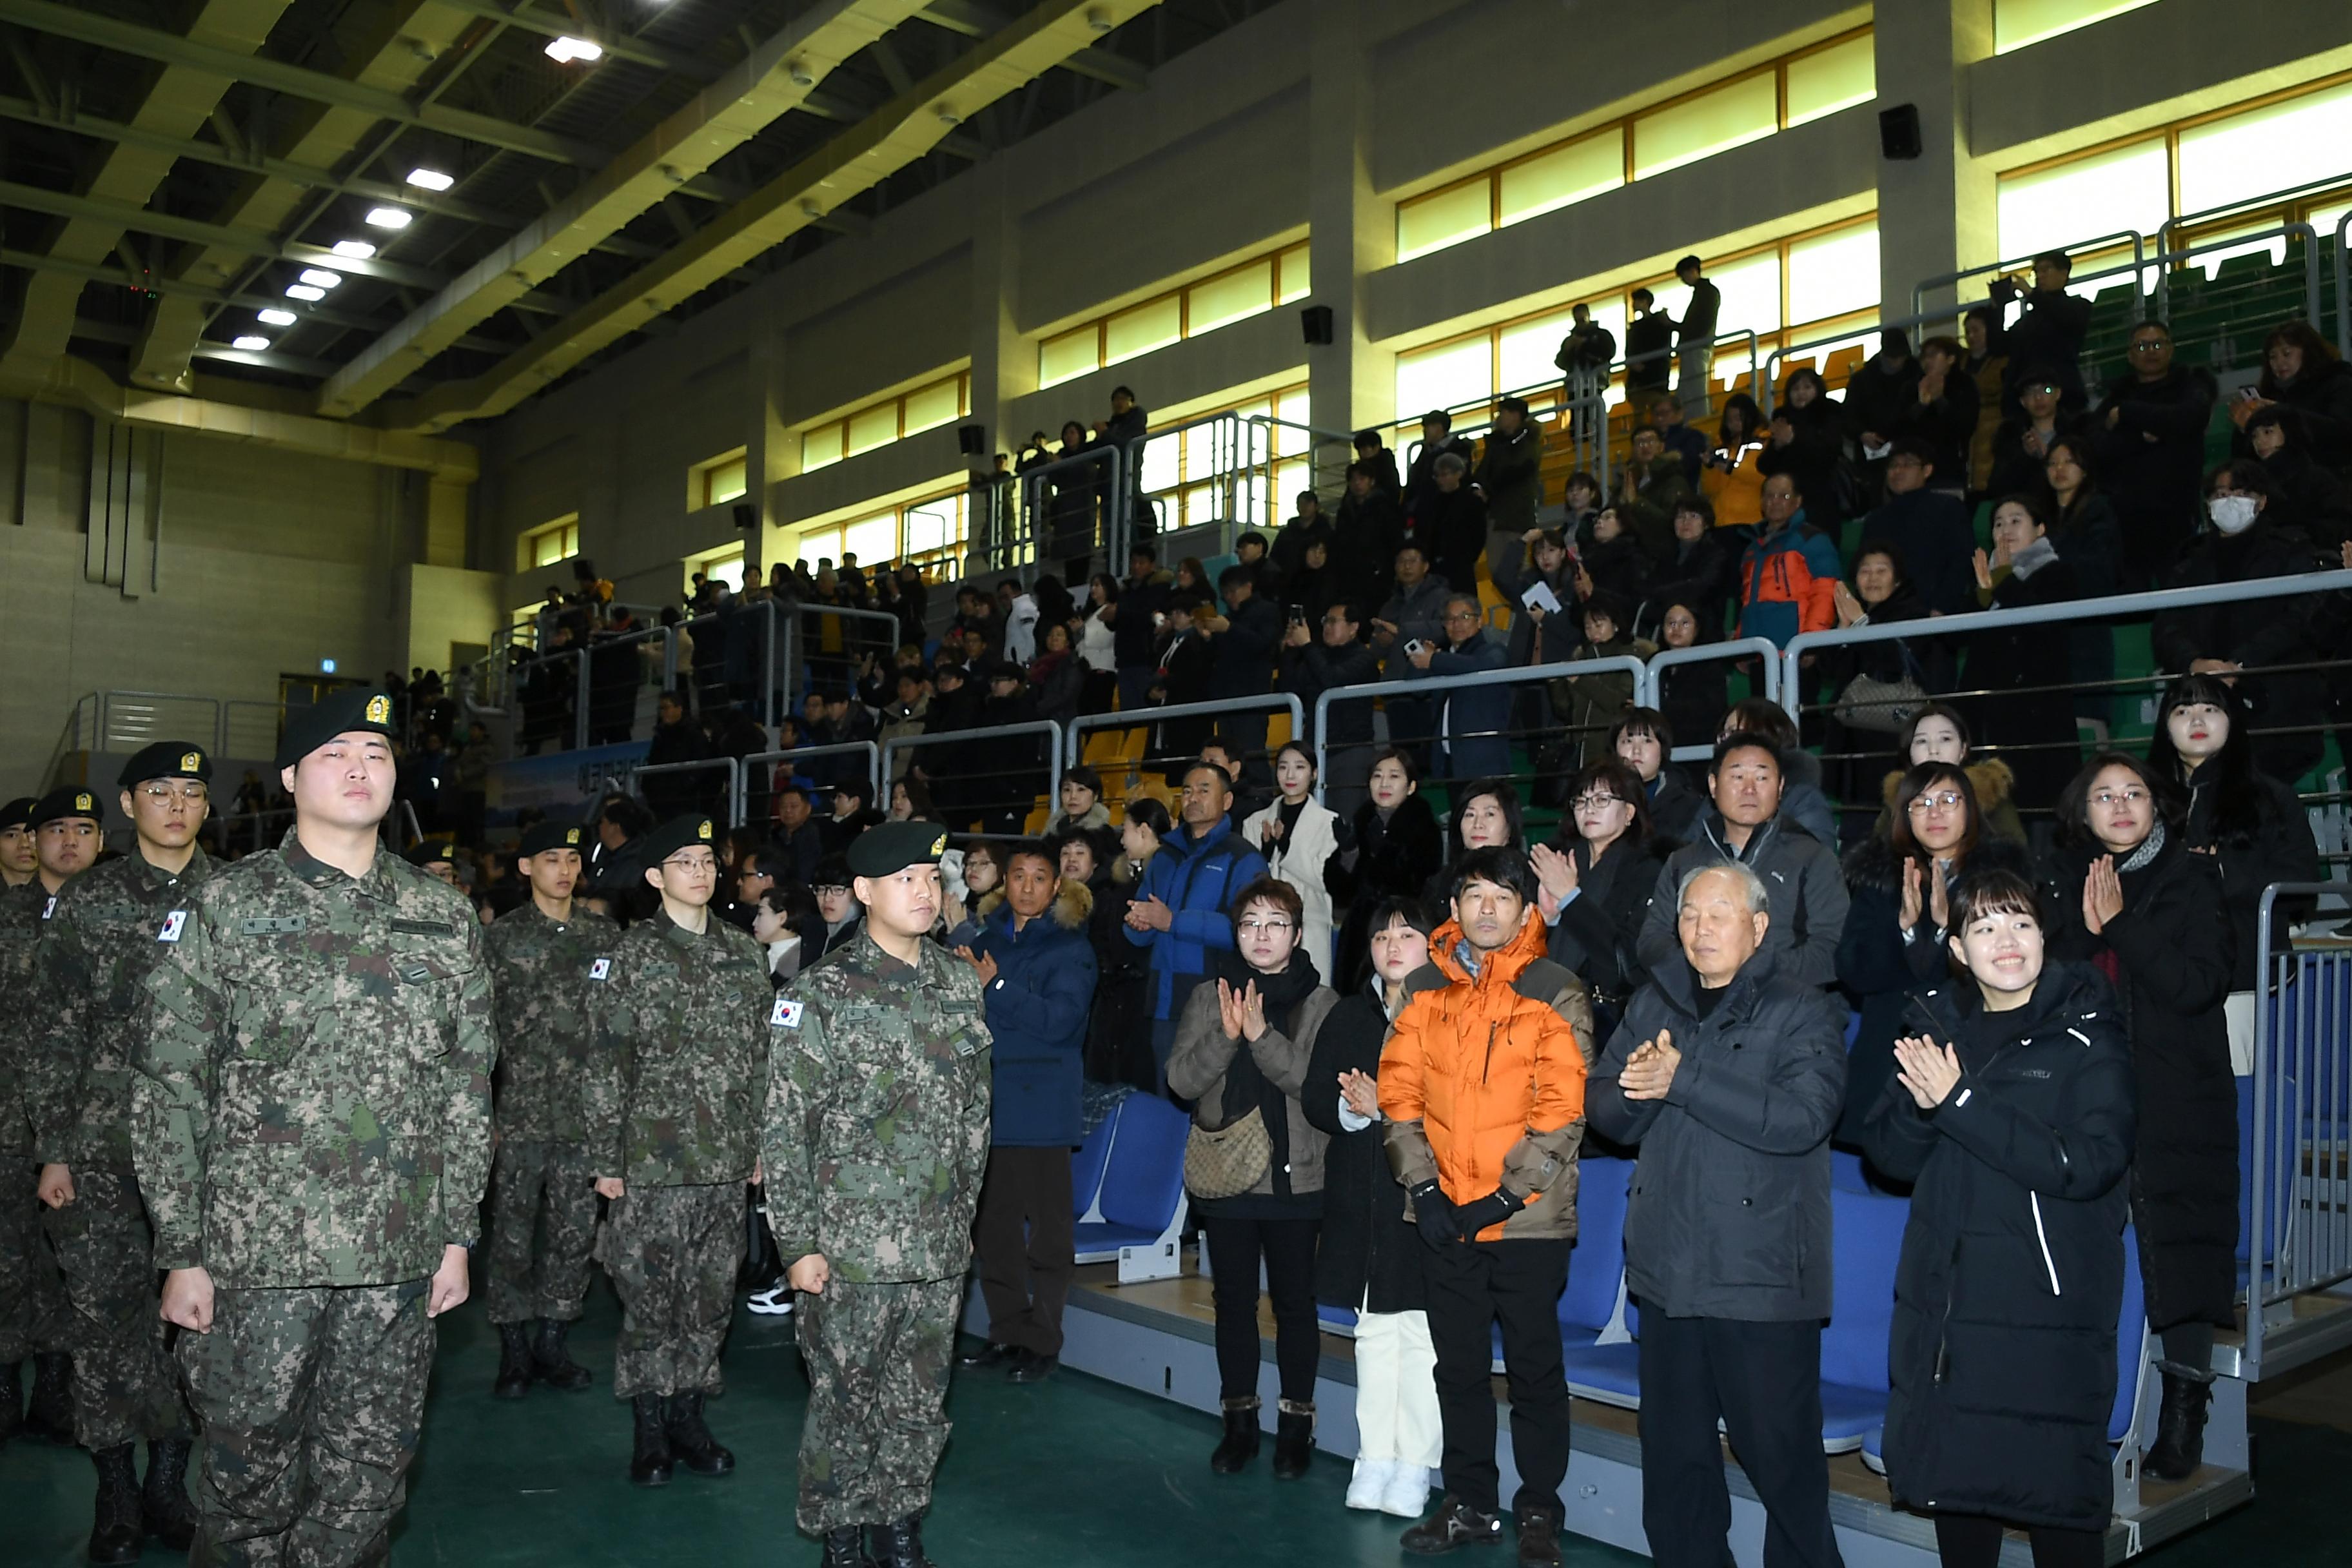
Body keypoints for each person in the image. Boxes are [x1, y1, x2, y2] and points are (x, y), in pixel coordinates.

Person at [130, 689, 489, 1566]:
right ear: (290, 777)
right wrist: (182, 1247)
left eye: (375, 749)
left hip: (398, 1259)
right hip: (257, 1260)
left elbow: (467, 1085)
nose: (359, 766)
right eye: (333, 753)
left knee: (366, 1484)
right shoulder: (231, 906)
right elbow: (170, 1083)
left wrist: (455, 1234)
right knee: (246, 1487)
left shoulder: (440, 916)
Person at [1864, 871, 2133, 1568]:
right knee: (1960, 1499)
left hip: (2043, 1310)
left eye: (2019, 923)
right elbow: (1889, 1155)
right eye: (1983, 927)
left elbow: (2087, 1163)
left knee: (2059, 1507)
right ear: (1957, 948)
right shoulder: (1937, 1028)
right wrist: (1926, 1108)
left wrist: (1956, 1102)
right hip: (1948, 1308)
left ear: (2045, 935)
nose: (2004, 941)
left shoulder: (2088, 1036)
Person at [1587, 861, 1847, 1568]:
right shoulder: (1656, 998)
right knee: (1675, 1463)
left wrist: (1685, 1078)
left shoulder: (1802, 1005)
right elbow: (1604, 1107)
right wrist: (1640, 1091)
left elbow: (1805, 1116)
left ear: (1759, 926)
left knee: (1783, 1465)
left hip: (1760, 1277)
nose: (1703, 928)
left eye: (1720, 913)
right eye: (1691, 914)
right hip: (1668, 1270)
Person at [762, 820, 992, 1568]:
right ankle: (842, 1536)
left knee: (920, 1404)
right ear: (863, 892)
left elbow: (975, 1113)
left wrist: (963, 1219)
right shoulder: (819, 993)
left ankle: (899, 1526)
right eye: (906, 879)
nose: (926, 891)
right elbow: (786, 1126)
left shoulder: (958, 980)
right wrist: (797, 1244)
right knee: (843, 1403)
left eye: (932, 877)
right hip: (850, 1247)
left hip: (935, 1242)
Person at [1380, 847, 1590, 1568]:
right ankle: (1469, 1500)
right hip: (1443, 1214)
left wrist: (1502, 1195)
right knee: (1459, 1367)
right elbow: (1399, 1097)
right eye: (1475, 894)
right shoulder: (1420, 987)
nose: (1489, 908)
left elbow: (1563, 1109)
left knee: (1534, 1370)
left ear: (1528, 909)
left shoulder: (1556, 988)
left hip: (1527, 1218)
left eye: (1504, 895)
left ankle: (1539, 1510)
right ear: (1456, 907)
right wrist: (1425, 1189)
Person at [26, 746, 211, 1558]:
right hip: (104, 1148)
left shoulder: (235, 895)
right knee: (104, 1318)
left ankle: (171, 1477)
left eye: (193, 792)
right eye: (159, 791)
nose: (177, 804)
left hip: (211, 1153)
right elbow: (54, 1028)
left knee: (194, 1325)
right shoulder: (89, 900)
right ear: (130, 805)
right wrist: (54, 1148)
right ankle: (116, 1490)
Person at [2041, 753, 2234, 1481]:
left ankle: (2184, 1410)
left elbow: (2197, 984)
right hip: (2092, 1092)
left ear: (2158, 806)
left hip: (2177, 1091)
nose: (2120, 805)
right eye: (2103, 795)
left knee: (2181, 1245)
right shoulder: (2068, 879)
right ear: (2081, 811)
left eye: (2135, 793)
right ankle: (2085, 1409)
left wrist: (2120, 926)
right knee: (2087, 1258)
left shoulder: (2191, 877)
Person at [583, 814, 767, 1485]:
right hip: (650, 1162)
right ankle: (650, 1425)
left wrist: (758, 1144)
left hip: (722, 1159)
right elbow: (605, 1063)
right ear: (656, 876)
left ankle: (690, 1414)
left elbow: (759, 1060)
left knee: (710, 1297)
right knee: (649, 1296)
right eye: (685, 862)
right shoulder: (628, 955)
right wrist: (607, 1157)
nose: (701, 872)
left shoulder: (744, 953)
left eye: (708, 861)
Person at [1170, 876, 1338, 1477]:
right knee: (1233, 1303)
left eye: (1274, 925)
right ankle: (1238, 1421)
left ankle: (1297, 1426)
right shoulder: (1206, 997)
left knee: (1296, 1305)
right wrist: (1226, 1035)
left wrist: (1262, 1037)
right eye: (1249, 924)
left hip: (1297, 1180)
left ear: (1297, 933)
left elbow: (1316, 1090)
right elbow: (1182, 1081)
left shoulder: (1323, 1004)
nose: (1261, 936)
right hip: (1227, 1177)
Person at [1304, 897, 1442, 1520]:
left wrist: (1386, 1103)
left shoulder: (1450, 1014)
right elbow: (1315, 1095)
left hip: (1423, 1203)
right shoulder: (1348, 1014)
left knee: (1418, 1335)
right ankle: (1373, 1457)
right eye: (1382, 935)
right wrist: (1354, 1109)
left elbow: (1463, 1110)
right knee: (1372, 1335)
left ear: (1433, 945)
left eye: (1407, 935)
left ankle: (1415, 1463)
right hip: (1361, 1197)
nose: (1392, 946)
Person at [479, 820, 616, 1402]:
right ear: (526, 868)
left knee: (572, 1232)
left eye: (571, 859)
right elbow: (478, 1035)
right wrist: (484, 1115)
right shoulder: (501, 940)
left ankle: (554, 1340)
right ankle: (513, 1345)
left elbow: (617, 1032)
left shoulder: (605, 938)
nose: (564, 870)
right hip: (518, 1113)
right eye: (551, 859)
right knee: (510, 1234)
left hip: (583, 1118)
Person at [1835, 763, 2035, 1146]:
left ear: (1971, 809)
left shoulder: (2003, 881)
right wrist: (1906, 930)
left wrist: (1950, 929)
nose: (1935, 812)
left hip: (1980, 1061)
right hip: (1889, 1060)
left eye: (1948, 800)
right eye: (1920, 803)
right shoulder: (1880, 878)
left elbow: (2010, 977)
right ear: (1904, 816)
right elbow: (1854, 971)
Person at [957, 844, 1097, 1384]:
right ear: (1004, 884)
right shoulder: (984, 942)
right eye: (1019, 876)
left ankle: (1044, 1340)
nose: (1029, 887)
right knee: (995, 1233)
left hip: (1044, 1106)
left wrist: (994, 987)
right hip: (991, 1104)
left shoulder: (1071, 948)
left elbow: (1060, 1022)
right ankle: (1006, 1331)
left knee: (1048, 1235)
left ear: (1057, 886)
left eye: (1041, 877)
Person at [2144, 674, 2321, 1072]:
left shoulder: (2271, 796)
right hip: (2155, 975)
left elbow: (2302, 882)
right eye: (2183, 710)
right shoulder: (2142, 798)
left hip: (2241, 976)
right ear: (2165, 726)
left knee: (2234, 1097)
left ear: (2232, 721)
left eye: (2211, 709)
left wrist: (2218, 873)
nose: (2196, 720)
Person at [2154, 462, 2331, 784]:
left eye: (2241, 492)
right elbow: (2167, 625)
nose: (2230, 500)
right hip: (2206, 706)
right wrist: (2194, 662)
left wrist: (2240, 664)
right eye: (2221, 493)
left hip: (2277, 708)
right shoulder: (2190, 561)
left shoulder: (2291, 551)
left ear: (2262, 501)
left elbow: (2302, 618)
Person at [1635, 733, 1848, 988]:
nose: (1749, 789)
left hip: (1788, 1007)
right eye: (1737, 777)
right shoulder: (1683, 861)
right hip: (1697, 1002)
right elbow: (1652, 941)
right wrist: (1704, 970)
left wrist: (1744, 970)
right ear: (1713, 786)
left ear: (1780, 787)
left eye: (1762, 778)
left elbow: (1832, 950)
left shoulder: (1812, 858)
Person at [1123, 761, 1269, 1088]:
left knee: (1208, 1105)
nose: (1193, 798)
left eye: (1205, 790)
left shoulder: (1243, 858)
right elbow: (1138, 930)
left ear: (1227, 801)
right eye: (1187, 791)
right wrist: (1138, 923)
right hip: (1163, 1000)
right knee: (1166, 1101)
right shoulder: (1164, 856)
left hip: (1215, 1005)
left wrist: (1172, 922)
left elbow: (1247, 932)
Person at [1965, 494, 2084, 809]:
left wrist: (2003, 581)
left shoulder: (2057, 573)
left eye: (2016, 521)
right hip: (1993, 717)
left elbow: (2039, 624)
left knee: (2041, 814)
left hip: (2039, 718)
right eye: (1999, 523)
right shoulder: (1985, 580)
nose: (2006, 529)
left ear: (2040, 529)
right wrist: (1982, 595)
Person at [1532, 759, 1671, 1026]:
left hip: (1615, 1018)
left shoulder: (1649, 870)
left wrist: (1572, 899)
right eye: (1581, 802)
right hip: (1551, 1008)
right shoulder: (1563, 862)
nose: (1589, 809)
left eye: (1602, 799)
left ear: (1630, 812)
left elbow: (1626, 962)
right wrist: (1550, 920)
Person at [2094, 319, 2217, 589]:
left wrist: (2127, 414)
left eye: (2158, 344)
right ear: (2130, 355)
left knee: (2181, 601)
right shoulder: (2117, 394)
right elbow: (2096, 447)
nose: (2151, 351)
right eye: (2142, 346)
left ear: (2171, 350)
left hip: (2177, 514)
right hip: (2126, 520)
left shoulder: (2189, 385)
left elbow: (2191, 418)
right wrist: (2143, 435)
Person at [1324, 750, 1446, 994]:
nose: (1384, 783)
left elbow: (1416, 884)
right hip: (1359, 934)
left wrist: (1383, 851)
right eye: (1377, 776)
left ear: (1411, 787)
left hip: (1402, 931)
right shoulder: (1362, 823)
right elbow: (1341, 892)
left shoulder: (1424, 828)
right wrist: (1349, 853)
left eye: (1394, 776)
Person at [1244, 741, 1342, 977]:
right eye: (1283, 767)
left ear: (1314, 774)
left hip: (1310, 923)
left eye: (1300, 767)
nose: (1290, 775)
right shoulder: (1254, 821)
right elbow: (1246, 882)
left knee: (1311, 1003)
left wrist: (1288, 849)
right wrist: (1265, 855)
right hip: (1263, 927)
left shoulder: (1330, 823)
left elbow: (1326, 880)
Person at [1280, 598, 1383, 821]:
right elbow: (1287, 688)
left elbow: (1333, 679)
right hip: (1314, 752)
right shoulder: (1316, 656)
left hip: (1350, 751)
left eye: (1333, 621)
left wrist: (1307, 646)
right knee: (1310, 823)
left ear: (1354, 627)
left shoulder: (1363, 658)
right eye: (1325, 621)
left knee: (1345, 821)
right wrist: (1291, 651)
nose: (1327, 627)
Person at [1859, 440, 1977, 618]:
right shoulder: (1875, 520)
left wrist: (1942, 607)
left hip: (1937, 614)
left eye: (1907, 465)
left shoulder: (1948, 508)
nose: (1898, 471)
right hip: (1887, 616)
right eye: (1893, 466)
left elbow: (1961, 561)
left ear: (1927, 470)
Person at [1403, 594, 1511, 783]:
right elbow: (1415, 689)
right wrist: (1420, 660)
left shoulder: (1493, 650)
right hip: (1450, 756)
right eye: (1450, 619)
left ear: (1480, 621)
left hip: (1485, 759)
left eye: (1465, 617)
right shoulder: (1443, 658)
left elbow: (1481, 665)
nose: (1457, 624)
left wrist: (1434, 660)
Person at [2230, 319, 2352, 475]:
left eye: (2287, 354)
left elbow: (2343, 433)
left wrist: (2284, 413)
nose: (2279, 362)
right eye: (2272, 357)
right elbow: (2244, 464)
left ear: (2308, 352)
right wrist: (2243, 429)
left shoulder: (2338, 381)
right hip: (2281, 488)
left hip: (2333, 480)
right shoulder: (2266, 396)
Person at [1735, 473, 1840, 650]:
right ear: (1761, 501)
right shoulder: (1752, 548)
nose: (1775, 501)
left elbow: (1825, 591)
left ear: (1798, 502)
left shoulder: (1813, 539)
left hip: (1797, 651)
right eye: (1770, 496)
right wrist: (1741, 641)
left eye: (1784, 496)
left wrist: (1812, 641)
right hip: (1758, 652)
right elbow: (1746, 600)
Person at [1892, 335, 1981, 491]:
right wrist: (1921, 405)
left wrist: (1940, 400)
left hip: (1950, 465)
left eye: (1933, 355)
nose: (1927, 361)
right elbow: (1899, 427)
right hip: (1915, 467)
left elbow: (1964, 426)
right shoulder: (1911, 387)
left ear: (1951, 359)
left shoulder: (1964, 385)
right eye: (1924, 357)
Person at [1474, 397, 1544, 584]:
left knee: (1519, 568)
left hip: (1516, 516)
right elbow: (1481, 474)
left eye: (1502, 413)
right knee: (1497, 570)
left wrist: (1489, 488)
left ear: (1515, 416)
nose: (1498, 418)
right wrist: (1478, 488)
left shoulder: (1529, 441)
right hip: (1496, 516)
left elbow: (1516, 469)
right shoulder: (1495, 445)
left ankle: (1527, 608)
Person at [1609, 710, 1704, 845]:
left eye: (1647, 741)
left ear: (1662, 748)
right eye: (1627, 741)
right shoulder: (1598, 800)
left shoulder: (1688, 805)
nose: (1636, 750)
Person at [1700, 395, 1769, 532]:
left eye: (1738, 418)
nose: (1733, 424)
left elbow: (1763, 477)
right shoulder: (1720, 446)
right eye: (1729, 419)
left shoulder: (1765, 442)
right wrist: (1709, 467)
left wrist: (1733, 469)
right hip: (1721, 521)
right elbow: (1709, 489)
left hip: (1752, 521)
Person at [1553, 302, 1616, 429]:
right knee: (1577, 421)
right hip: (1575, 385)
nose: (1580, 323)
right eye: (1577, 320)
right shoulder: (1569, 341)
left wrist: (1585, 344)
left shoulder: (1602, 335)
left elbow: (1609, 352)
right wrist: (1567, 350)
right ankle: (1580, 444)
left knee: (1595, 415)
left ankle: (1597, 443)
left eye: (1582, 319)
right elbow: (1560, 362)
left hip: (1595, 381)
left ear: (1588, 316)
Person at [1674, 255, 1720, 418]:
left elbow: (1700, 324)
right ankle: (1694, 420)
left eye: (1683, 275)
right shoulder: (1704, 292)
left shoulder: (1707, 293)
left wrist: (1675, 327)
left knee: (1696, 390)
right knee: (1690, 389)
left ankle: (1700, 421)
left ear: (1692, 271)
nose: (1683, 280)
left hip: (1697, 346)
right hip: (1696, 346)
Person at [1623, 287, 1675, 404]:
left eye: (1637, 300)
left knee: (1654, 405)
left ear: (1645, 302)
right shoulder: (1639, 326)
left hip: (1652, 376)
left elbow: (1661, 347)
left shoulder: (1658, 323)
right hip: (1645, 376)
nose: (1634, 304)